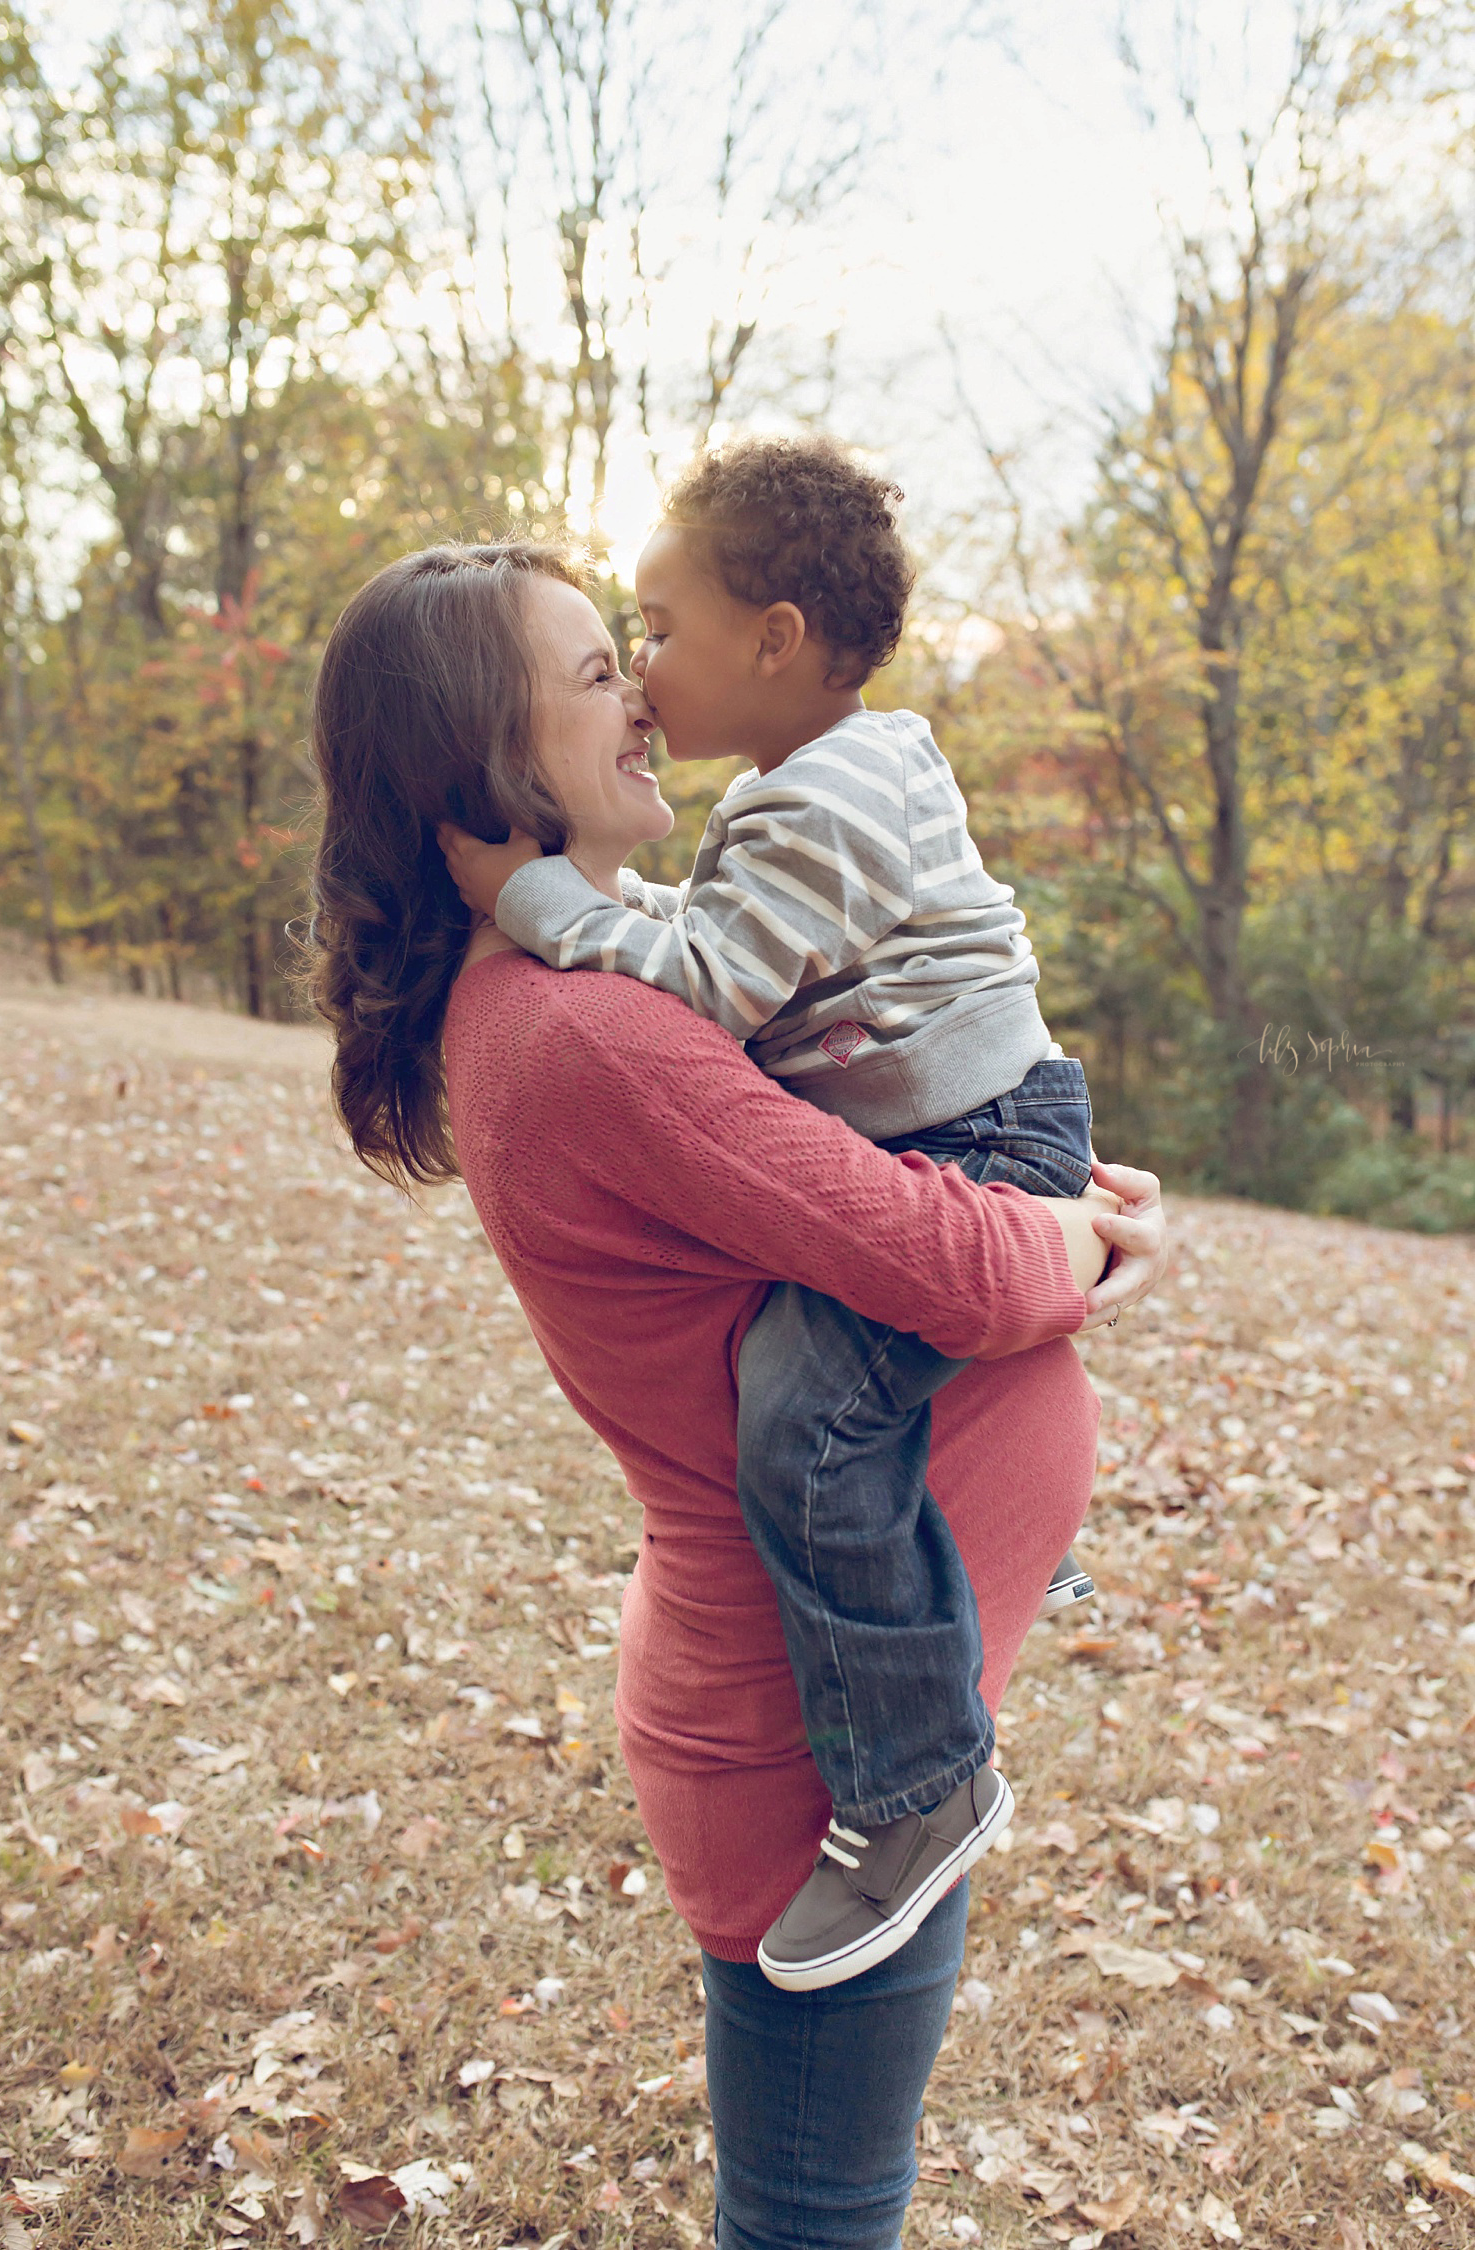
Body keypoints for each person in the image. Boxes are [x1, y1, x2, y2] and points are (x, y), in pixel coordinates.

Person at [303, 538, 1167, 2250]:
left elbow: (862, 1186)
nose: (640, 692)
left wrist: (1074, 1206)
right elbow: (974, 1271)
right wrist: (1087, 1233)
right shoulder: (594, 1035)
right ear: (478, 752)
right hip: (812, 1738)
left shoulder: (580, 996)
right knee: (816, 2220)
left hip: (822, 1675)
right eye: (591, 671)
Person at [438, 436, 1100, 1991]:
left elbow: (708, 981)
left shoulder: (820, 798)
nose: (648, 681)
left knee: (808, 1415)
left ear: (775, 639)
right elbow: (704, 955)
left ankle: (921, 1779)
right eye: (614, 656)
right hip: (966, 1129)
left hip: (978, 1131)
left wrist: (529, 894)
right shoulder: (803, 793)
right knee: (814, 1398)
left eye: (652, 636)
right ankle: (937, 1693)